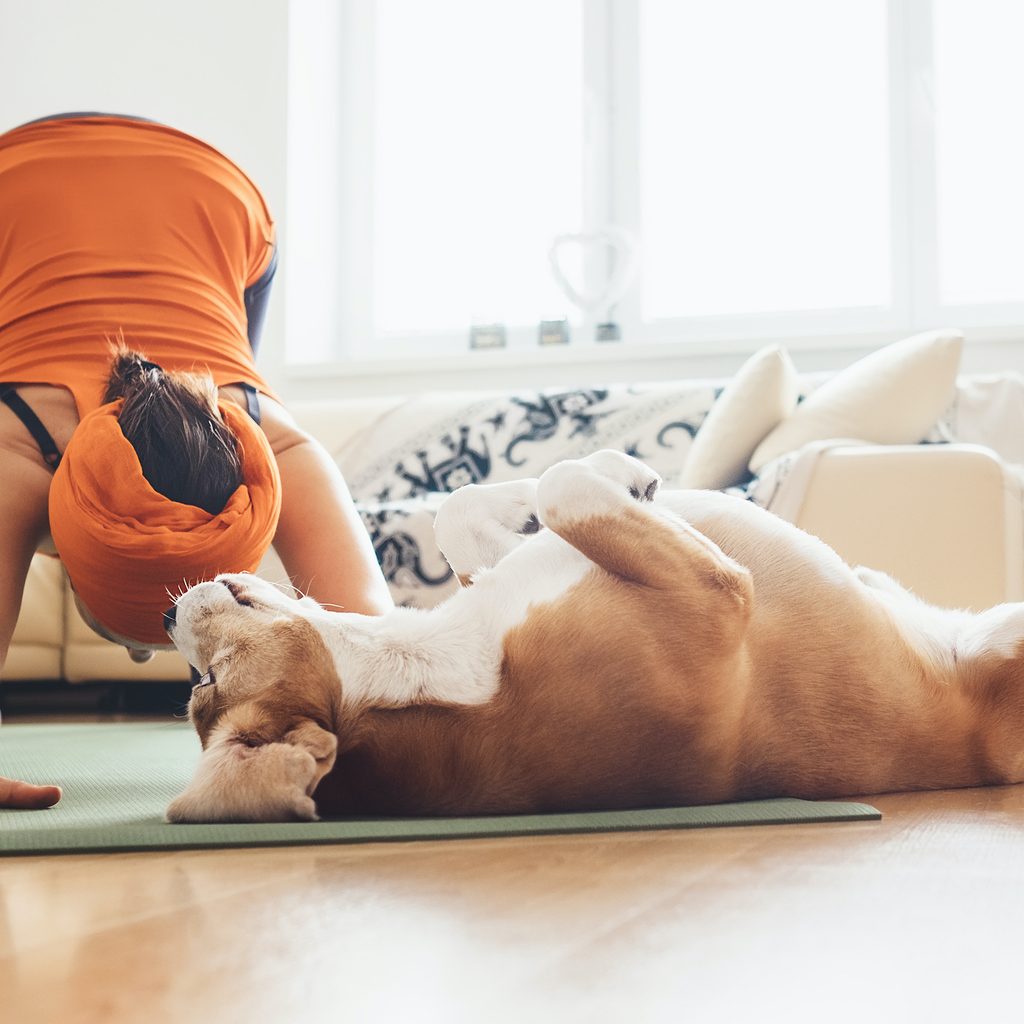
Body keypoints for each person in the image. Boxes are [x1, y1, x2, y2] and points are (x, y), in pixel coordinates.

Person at [0, 113, 393, 809]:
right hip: (155, 186)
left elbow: (381, 653)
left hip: (223, 194)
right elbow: (376, 659)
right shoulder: (16, 444)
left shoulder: (268, 441)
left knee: (229, 350)